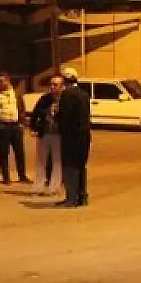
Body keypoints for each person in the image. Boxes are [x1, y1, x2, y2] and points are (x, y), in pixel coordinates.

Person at [55, 67, 92, 207]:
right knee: (81, 166)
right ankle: (82, 197)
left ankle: (71, 198)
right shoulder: (84, 94)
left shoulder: (67, 94)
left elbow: (65, 117)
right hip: (84, 136)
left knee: (70, 167)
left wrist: (56, 115)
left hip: (71, 137)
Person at [0, 71, 30, 184]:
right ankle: (6, 177)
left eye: (3, 81)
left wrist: (22, 122)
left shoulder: (16, 92)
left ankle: (22, 176)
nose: (1, 83)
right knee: (4, 152)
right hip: (2, 126)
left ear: (8, 81)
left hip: (16, 126)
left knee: (19, 152)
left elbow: (21, 107)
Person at [29, 74, 65, 197]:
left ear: (62, 86)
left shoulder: (65, 99)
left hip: (59, 135)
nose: (52, 87)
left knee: (57, 162)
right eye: (51, 84)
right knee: (40, 162)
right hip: (44, 133)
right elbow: (35, 114)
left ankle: (54, 188)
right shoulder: (45, 99)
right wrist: (33, 128)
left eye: (55, 85)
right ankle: (38, 187)